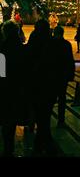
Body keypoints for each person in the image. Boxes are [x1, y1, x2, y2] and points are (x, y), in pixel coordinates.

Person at [26, 19, 57, 155]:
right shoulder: (53, 44)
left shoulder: (33, 43)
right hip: (50, 85)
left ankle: (41, 143)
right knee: (45, 114)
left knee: (40, 114)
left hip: (35, 84)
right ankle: (44, 143)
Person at [0, 21, 27, 157]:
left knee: (6, 120)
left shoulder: (3, 49)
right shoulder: (22, 49)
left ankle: (8, 148)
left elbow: (1, 73)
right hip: (19, 89)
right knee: (13, 119)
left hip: (5, 90)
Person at [52, 26, 75, 126]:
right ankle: (61, 120)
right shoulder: (66, 44)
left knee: (51, 98)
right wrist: (71, 74)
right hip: (62, 75)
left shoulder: (50, 44)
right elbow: (70, 60)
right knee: (62, 98)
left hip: (52, 75)